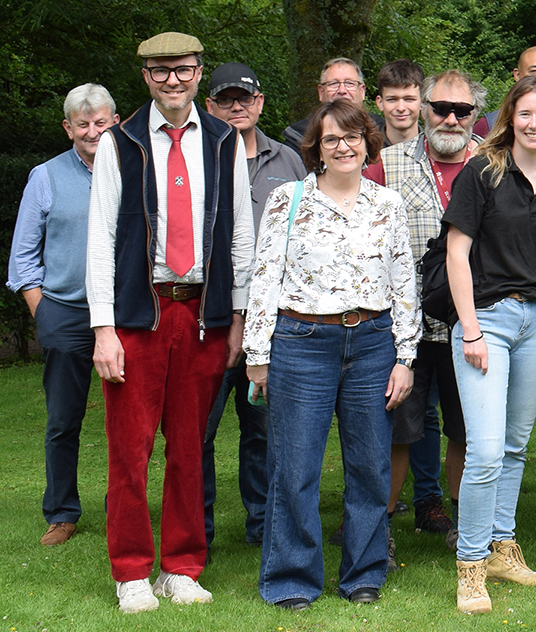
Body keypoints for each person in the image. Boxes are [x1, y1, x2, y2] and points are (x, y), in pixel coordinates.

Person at [86, 32, 252, 613]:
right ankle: (131, 571)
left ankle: (181, 568)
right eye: (161, 72)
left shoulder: (225, 140)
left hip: (202, 313)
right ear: (146, 77)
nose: (173, 80)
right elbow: (101, 239)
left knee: (190, 448)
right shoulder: (120, 141)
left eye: (182, 70)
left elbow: (239, 233)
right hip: (139, 313)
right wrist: (103, 328)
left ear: (199, 73)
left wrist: (239, 316)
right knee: (129, 450)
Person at [245, 99, 418, 610]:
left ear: (368, 141)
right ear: (316, 148)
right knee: (295, 467)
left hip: (371, 343)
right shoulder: (288, 199)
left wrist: (404, 356)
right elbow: (264, 275)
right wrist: (258, 351)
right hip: (301, 344)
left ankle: (363, 573)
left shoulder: (387, 203)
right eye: (331, 139)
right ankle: (292, 578)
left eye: (352, 136)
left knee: (369, 466)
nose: (343, 146)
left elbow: (403, 282)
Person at [446, 74, 536, 613]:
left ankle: (503, 547)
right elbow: (457, 254)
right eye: (525, 113)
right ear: (509, 116)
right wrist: (471, 329)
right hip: (488, 322)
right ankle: (470, 566)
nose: (534, 123)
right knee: (485, 449)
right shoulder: (482, 171)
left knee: (517, 446)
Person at [363, 69, 492, 544]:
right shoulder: (386, 163)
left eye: (462, 111)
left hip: (472, 324)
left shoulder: (495, 166)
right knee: (396, 429)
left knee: (466, 428)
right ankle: (379, 529)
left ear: (475, 116)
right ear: (423, 109)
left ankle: (464, 529)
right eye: (442, 108)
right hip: (404, 325)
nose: (451, 119)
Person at [200, 62, 306, 550]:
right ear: (210, 106)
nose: (236, 107)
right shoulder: (196, 158)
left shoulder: (290, 161)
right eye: (225, 99)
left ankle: (263, 525)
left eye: (245, 98)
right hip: (208, 315)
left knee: (263, 430)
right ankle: (196, 528)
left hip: (276, 320)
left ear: (260, 103)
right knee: (197, 429)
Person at [8, 83, 118, 548]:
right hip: (67, 314)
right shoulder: (46, 176)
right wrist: (44, 313)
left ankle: (123, 508)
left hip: (123, 316)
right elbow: (22, 259)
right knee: (63, 420)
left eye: (101, 122)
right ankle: (62, 512)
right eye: (83, 124)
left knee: (126, 421)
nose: (92, 131)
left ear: (115, 121)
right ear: (68, 127)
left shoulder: (135, 170)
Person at [282, 57, 386, 150]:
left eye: (349, 83)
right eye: (333, 84)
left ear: (362, 91)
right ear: (321, 92)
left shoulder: (383, 132)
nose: (342, 90)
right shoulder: (299, 139)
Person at [374, 59, 424, 147]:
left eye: (409, 99)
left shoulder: (435, 151)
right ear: (380, 103)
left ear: (422, 102)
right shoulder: (366, 151)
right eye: (392, 99)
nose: (401, 108)